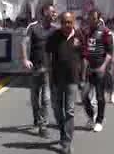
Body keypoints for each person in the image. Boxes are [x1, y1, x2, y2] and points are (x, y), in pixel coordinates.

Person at [46, 12, 85, 154]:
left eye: (69, 22)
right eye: (64, 22)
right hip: (57, 79)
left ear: (73, 22)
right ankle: (63, 132)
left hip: (72, 80)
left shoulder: (79, 36)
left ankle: (67, 142)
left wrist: (83, 78)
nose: (66, 25)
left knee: (69, 111)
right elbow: (48, 56)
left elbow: (83, 58)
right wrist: (49, 77)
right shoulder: (54, 36)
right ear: (60, 23)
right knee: (57, 110)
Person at [20, 4, 57, 138]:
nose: (55, 14)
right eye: (52, 12)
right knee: (34, 98)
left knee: (46, 98)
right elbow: (24, 42)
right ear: (45, 12)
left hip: (48, 69)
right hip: (35, 68)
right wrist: (25, 59)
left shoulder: (55, 29)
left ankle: (43, 125)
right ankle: (37, 120)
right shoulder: (33, 27)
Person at [82, 10, 114, 132]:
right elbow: (84, 51)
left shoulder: (106, 32)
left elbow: (110, 52)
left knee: (100, 96)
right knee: (84, 95)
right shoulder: (86, 32)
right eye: (90, 18)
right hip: (89, 69)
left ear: (98, 19)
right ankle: (91, 117)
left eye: (94, 18)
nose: (91, 21)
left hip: (100, 69)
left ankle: (99, 121)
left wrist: (104, 66)